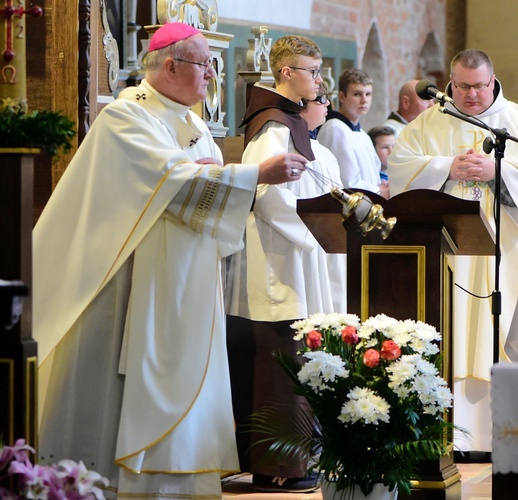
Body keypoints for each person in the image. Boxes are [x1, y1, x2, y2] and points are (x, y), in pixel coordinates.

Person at [33, 23, 307, 499]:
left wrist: (220, 176)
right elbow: (171, 183)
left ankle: (183, 478)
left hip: (186, 272)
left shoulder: (196, 123)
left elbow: (197, 182)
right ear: (171, 65)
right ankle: (126, 483)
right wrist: (253, 173)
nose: (210, 76)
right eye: (205, 65)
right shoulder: (126, 117)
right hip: (131, 281)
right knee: (128, 384)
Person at [389, 49, 518, 454]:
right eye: (462, 86)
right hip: (450, 253)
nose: (471, 95)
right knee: (451, 334)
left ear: (493, 81)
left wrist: (497, 173)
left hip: (508, 252)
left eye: (479, 86)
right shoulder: (427, 125)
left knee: (504, 329)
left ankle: (513, 433)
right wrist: (445, 168)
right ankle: (454, 436)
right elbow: (401, 168)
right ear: (449, 83)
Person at [225, 35, 344, 494]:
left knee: (294, 357)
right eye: (312, 72)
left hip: (294, 254)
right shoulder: (273, 126)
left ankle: (295, 462)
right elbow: (267, 196)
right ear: (286, 74)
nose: (319, 80)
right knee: (280, 363)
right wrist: (317, 236)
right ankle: (278, 467)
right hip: (278, 260)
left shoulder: (288, 120)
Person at [317, 68, 388, 198]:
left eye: (368, 94)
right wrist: (379, 191)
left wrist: (382, 185)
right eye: (357, 94)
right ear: (342, 97)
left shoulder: (362, 134)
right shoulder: (335, 129)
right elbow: (347, 183)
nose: (364, 100)